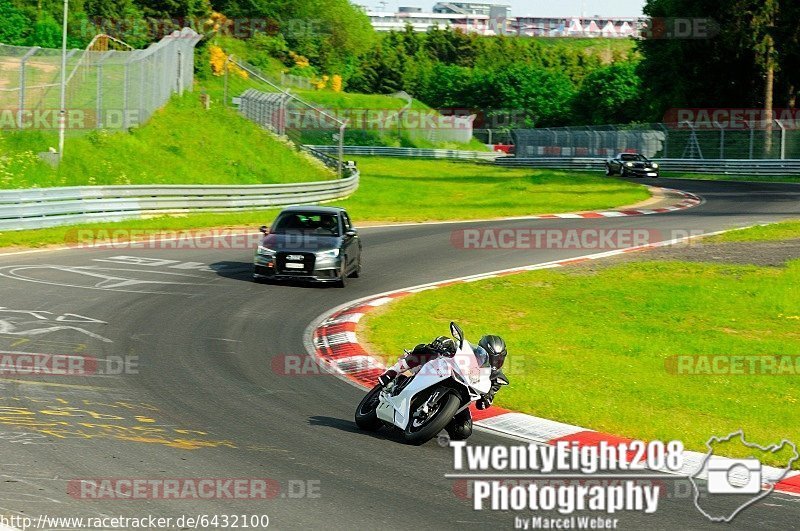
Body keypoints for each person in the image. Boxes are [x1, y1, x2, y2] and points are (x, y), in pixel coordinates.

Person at [377, 333, 510, 440]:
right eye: (486, 355)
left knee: (463, 431)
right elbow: (456, 347)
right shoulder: (470, 354)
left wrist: (487, 397)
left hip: (461, 396)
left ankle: (435, 419)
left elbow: (481, 405)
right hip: (444, 374)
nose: (492, 362)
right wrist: (443, 344)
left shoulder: (496, 379)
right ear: (480, 350)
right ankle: (392, 373)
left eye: (496, 359)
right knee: (430, 349)